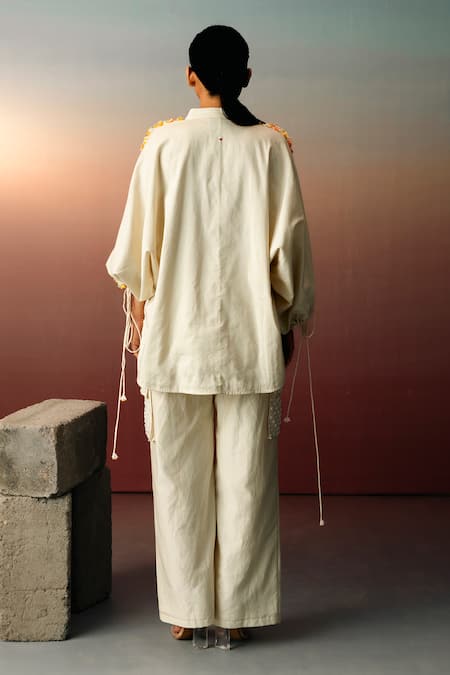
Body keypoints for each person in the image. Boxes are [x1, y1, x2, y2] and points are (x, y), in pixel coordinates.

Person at [105, 24, 320, 643]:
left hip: (174, 340)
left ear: (190, 75)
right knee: (247, 481)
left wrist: (142, 312)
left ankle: (187, 610)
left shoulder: (162, 145)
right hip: (250, 339)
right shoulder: (271, 146)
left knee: (178, 481)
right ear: (246, 76)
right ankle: (238, 613)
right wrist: (286, 318)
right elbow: (289, 251)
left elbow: (136, 254)